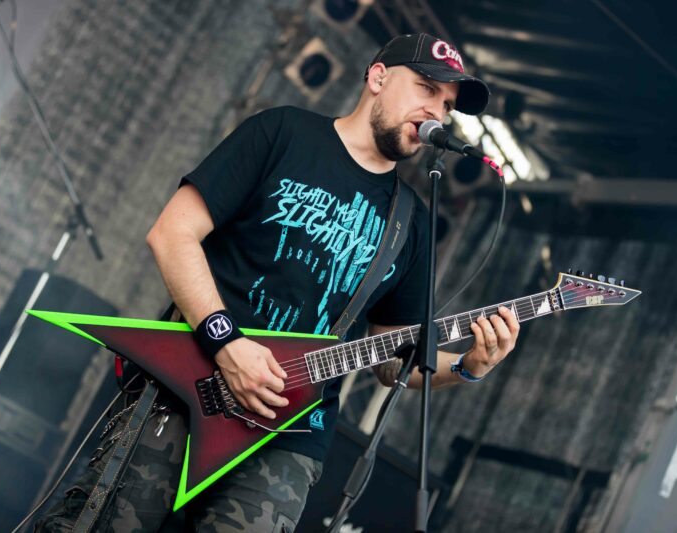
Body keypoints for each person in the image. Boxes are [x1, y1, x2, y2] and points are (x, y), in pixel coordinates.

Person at [35, 33, 520, 532]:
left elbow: (392, 361)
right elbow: (172, 234)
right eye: (426, 89)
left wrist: (467, 367)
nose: (437, 112)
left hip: (290, 441)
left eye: (447, 105)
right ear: (378, 77)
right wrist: (227, 344)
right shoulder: (283, 132)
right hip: (187, 388)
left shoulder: (411, 222)